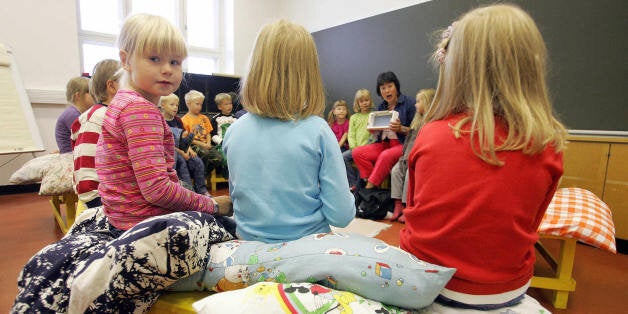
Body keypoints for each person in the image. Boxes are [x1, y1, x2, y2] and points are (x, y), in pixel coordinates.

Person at [400, 4, 567, 310]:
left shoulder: (432, 134)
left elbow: (415, 214)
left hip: (430, 282)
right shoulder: (547, 144)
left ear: (455, 67)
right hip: (507, 289)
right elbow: (532, 222)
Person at [96, 14, 233, 232]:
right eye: (154, 59)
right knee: (232, 229)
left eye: (175, 62)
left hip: (123, 218)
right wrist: (214, 205)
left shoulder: (122, 101)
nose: (168, 69)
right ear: (125, 60)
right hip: (145, 224)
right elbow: (157, 190)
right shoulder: (139, 109)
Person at [222, 19, 355, 243]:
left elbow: (241, 200)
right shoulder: (319, 131)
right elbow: (341, 215)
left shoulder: (234, 132)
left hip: (247, 253)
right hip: (305, 253)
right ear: (309, 74)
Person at [351, 71, 416, 190]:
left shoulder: (410, 103)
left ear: (396, 86)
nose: (387, 91)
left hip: (403, 145)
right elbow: (379, 133)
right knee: (356, 152)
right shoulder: (381, 106)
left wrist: (401, 129)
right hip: (384, 144)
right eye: (383, 88)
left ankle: (368, 189)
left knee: (385, 155)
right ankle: (374, 187)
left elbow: (417, 132)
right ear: (380, 91)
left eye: (390, 86)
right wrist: (373, 130)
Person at [70, 59, 121, 208]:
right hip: (98, 201)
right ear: (112, 86)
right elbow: (85, 163)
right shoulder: (100, 117)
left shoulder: (97, 115)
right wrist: (94, 200)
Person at [389, 88, 435, 222]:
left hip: (418, 159)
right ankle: (397, 205)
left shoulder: (431, 124)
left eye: (419, 101)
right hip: (406, 156)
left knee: (410, 174)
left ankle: (407, 205)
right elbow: (410, 134)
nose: (415, 104)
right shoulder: (417, 121)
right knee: (396, 171)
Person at [159, 93, 210, 196]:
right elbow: (167, 143)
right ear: (163, 105)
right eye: (172, 104)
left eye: (177, 105)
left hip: (183, 148)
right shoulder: (160, 120)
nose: (175, 107)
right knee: (182, 164)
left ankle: (202, 190)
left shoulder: (177, 120)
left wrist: (189, 150)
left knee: (197, 162)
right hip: (171, 151)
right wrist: (182, 152)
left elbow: (184, 139)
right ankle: (189, 192)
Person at [182, 90, 223, 176]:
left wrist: (208, 143)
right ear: (188, 104)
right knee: (205, 154)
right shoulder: (184, 120)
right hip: (194, 145)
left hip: (206, 144)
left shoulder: (204, 118)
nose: (200, 107)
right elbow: (187, 138)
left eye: (201, 104)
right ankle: (201, 176)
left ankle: (203, 174)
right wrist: (203, 144)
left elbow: (208, 133)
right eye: (197, 104)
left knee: (220, 157)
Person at [343, 89, 375, 190]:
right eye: (361, 101)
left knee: (362, 162)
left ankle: (362, 186)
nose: (364, 103)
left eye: (366, 100)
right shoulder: (354, 117)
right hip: (355, 148)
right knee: (343, 157)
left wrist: (365, 148)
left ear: (370, 100)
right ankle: (352, 183)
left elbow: (375, 135)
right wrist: (355, 147)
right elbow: (351, 134)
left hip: (368, 149)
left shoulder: (374, 115)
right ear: (357, 103)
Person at [55, 76, 94, 153]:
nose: (94, 96)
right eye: (90, 92)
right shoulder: (72, 115)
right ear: (78, 95)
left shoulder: (75, 112)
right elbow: (87, 139)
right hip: (70, 157)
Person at [210, 93, 237, 177]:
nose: (229, 106)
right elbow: (213, 135)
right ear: (219, 107)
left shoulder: (235, 118)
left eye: (230, 103)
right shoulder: (216, 119)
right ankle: (227, 175)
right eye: (226, 104)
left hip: (234, 144)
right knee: (226, 158)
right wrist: (221, 142)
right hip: (221, 145)